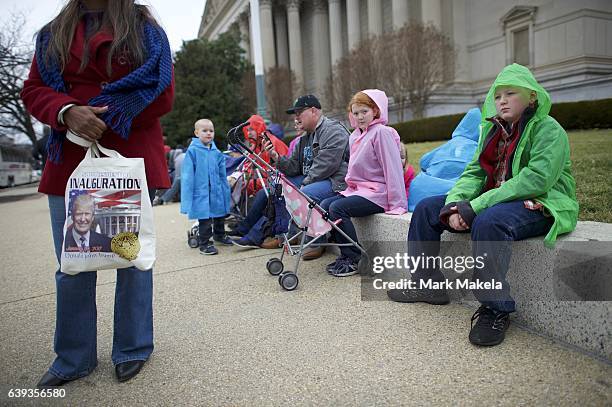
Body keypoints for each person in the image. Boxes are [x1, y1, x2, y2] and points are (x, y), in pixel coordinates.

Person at [20, 0, 174, 387]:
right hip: (70, 162)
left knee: (131, 258)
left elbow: (163, 90)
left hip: (126, 158)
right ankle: (72, 358)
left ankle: (133, 347)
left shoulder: (144, 28)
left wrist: (107, 115)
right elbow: (34, 89)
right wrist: (67, 109)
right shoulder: (52, 33)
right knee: (72, 265)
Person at [387, 63, 579, 347]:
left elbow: (535, 180)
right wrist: (454, 206)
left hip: (540, 203)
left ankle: (495, 308)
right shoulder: (492, 131)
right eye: (498, 95)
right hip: (493, 199)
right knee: (428, 208)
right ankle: (426, 283)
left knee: (490, 221)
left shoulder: (549, 130)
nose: (501, 100)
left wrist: (475, 207)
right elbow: (474, 173)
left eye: (510, 93)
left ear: (532, 97)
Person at [232, 95, 350, 261]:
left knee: (304, 193)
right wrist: (275, 156)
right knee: (277, 187)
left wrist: (300, 187)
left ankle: (316, 242)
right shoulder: (304, 138)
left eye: (299, 113)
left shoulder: (332, 130)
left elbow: (326, 166)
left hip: (335, 182)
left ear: (313, 111)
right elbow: (293, 166)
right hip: (316, 180)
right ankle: (280, 234)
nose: (296, 117)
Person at [320, 89, 407, 277]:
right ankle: (345, 254)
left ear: (376, 111)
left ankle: (354, 258)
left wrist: (397, 203)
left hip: (378, 194)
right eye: (355, 113)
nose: (359, 117)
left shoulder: (382, 133)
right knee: (325, 205)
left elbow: (392, 169)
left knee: (337, 208)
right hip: (360, 191)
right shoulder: (355, 136)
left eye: (364, 112)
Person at [180, 119, 232, 255]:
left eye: (211, 131)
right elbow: (187, 175)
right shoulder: (193, 152)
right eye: (205, 130)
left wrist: (224, 189)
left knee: (220, 214)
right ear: (196, 133)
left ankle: (219, 235)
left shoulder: (216, 152)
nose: (209, 133)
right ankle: (205, 243)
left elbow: (222, 173)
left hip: (216, 190)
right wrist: (187, 198)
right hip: (201, 192)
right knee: (205, 219)